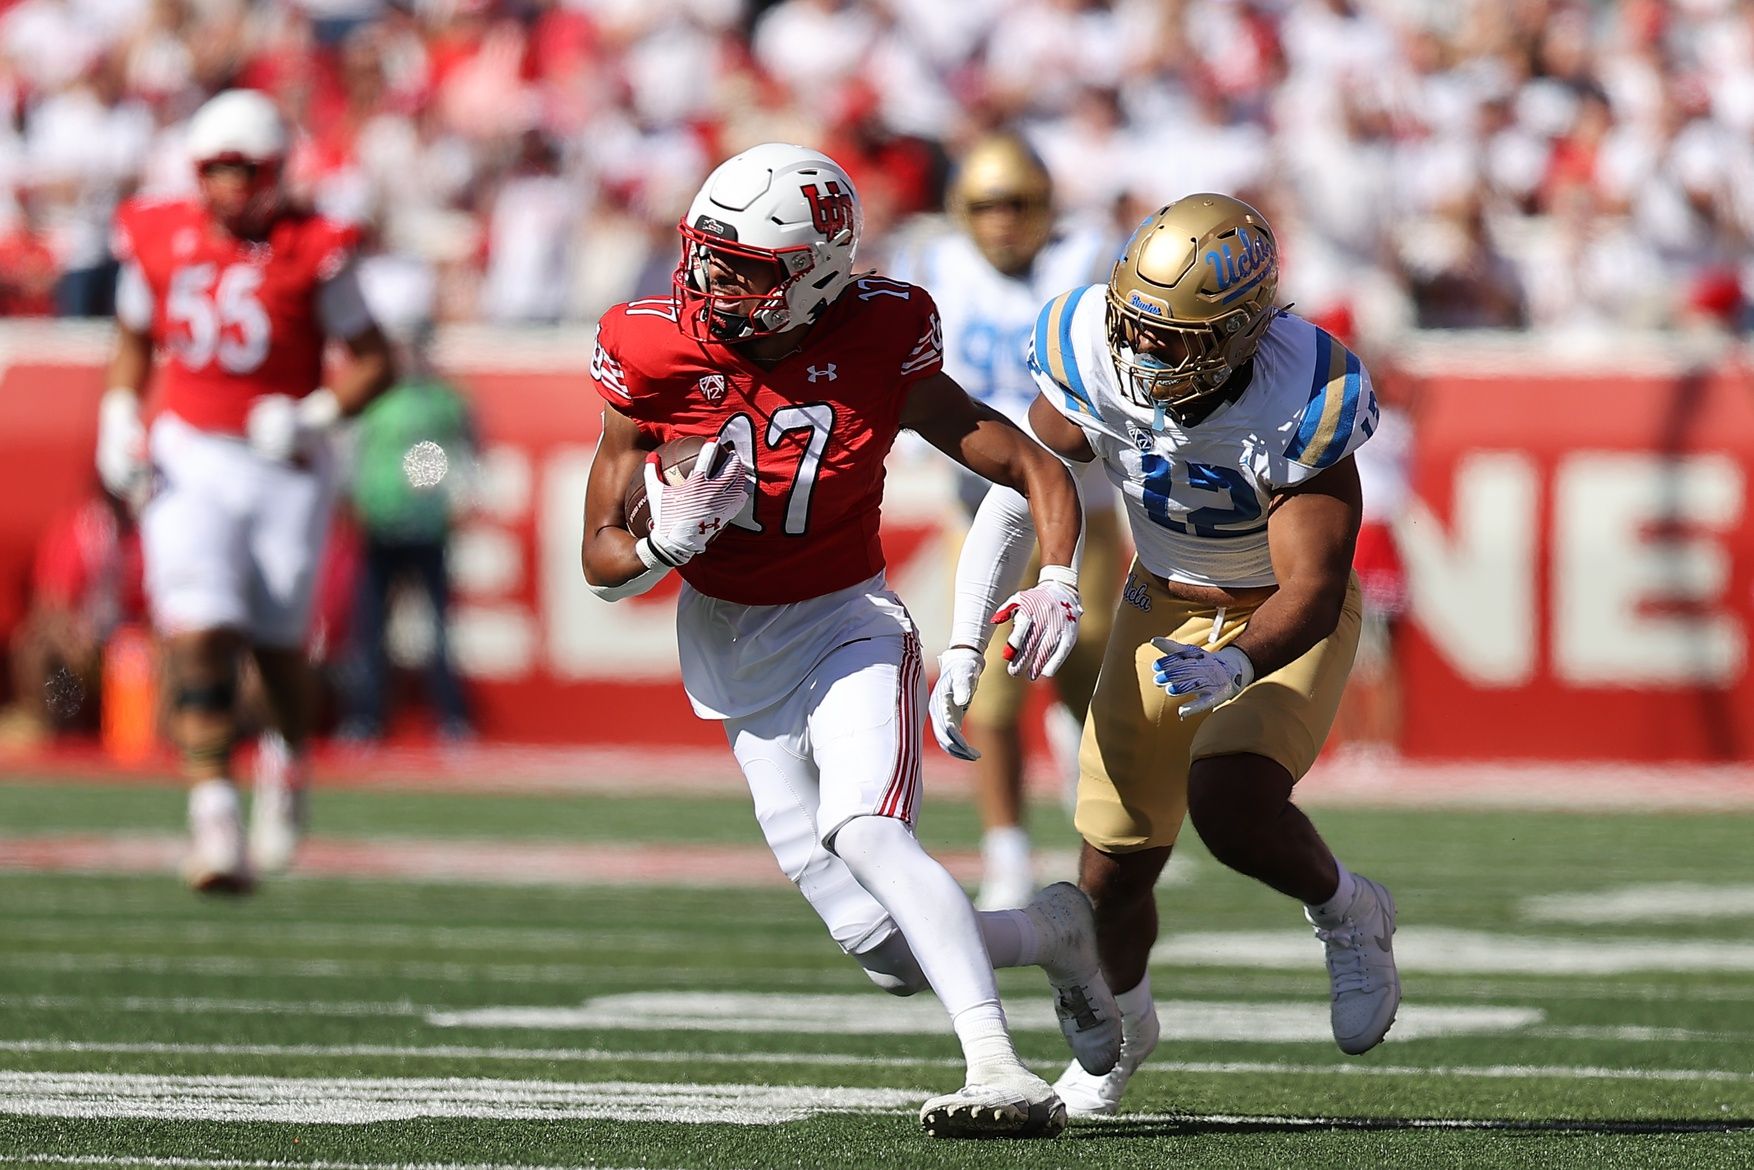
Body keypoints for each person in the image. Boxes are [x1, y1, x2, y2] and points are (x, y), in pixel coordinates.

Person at [581, 142, 1119, 1140]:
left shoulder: (881, 330)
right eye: (708, 254)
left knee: (871, 833)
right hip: (728, 646)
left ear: (816, 271)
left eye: (742, 266)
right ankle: (1053, 930)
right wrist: (662, 539)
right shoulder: (650, 347)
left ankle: (996, 1064)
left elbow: (1030, 465)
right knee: (880, 948)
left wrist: (1054, 578)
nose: (711, 282)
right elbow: (599, 561)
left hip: (844, 623)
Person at [934, 193, 1402, 1116]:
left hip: (1275, 612)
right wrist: (981, 622)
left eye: (1175, 338)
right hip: (1160, 599)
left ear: (1238, 333)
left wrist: (1237, 664)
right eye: (1134, 327)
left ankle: (1348, 909)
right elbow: (1031, 479)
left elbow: (1311, 586)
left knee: (1229, 800)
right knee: (1109, 872)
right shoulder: (1089, 352)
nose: (1144, 355)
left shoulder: (1302, 394)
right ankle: (1125, 1032)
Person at [94, 89, 396, 893]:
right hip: (189, 451)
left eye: (243, 167)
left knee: (275, 645)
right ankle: (213, 817)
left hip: (283, 467)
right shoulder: (155, 232)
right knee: (197, 627)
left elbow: (376, 360)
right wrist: (118, 417)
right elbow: (132, 344)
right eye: (216, 167)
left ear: (272, 170)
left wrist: (313, 414)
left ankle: (287, 763)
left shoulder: (313, 245)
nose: (229, 184)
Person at [891, 131, 1122, 910]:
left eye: (1017, 203)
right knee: (985, 687)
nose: (1002, 220)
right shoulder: (933, 264)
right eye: (987, 204)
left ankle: (1086, 775)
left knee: (1087, 652)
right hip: (978, 499)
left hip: (1077, 501)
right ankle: (1007, 848)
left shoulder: (1087, 259)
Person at [338, 254, 475, 743]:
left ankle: (452, 718)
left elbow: (464, 456)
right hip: (380, 521)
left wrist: (455, 496)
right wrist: (352, 498)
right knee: (370, 630)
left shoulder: (444, 399)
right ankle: (367, 717)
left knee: (437, 630)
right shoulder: (375, 397)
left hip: (427, 523)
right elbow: (350, 453)